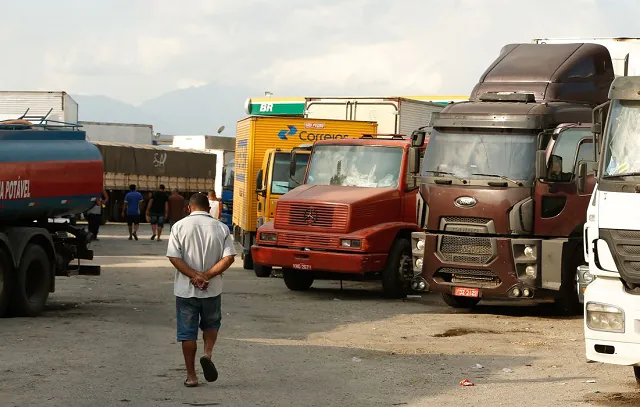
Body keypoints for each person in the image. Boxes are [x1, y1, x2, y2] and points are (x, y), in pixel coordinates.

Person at [166, 193, 236, 387]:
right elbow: (229, 258)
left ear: (190, 207)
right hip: (212, 289)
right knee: (211, 324)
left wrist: (194, 276)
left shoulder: (178, 227)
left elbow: (174, 257)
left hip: (186, 291)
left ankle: (191, 376)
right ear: (209, 208)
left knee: (187, 334)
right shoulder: (221, 228)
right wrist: (207, 276)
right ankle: (207, 353)